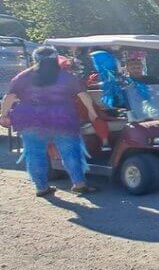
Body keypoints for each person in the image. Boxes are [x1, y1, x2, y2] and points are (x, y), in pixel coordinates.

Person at [0, 46, 100, 196]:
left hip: (30, 120)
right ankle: (79, 184)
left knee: (35, 154)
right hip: (62, 119)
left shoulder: (23, 76)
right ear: (55, 59)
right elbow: (83, 95)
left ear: (35, 59)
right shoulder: (66, 76)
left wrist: (3, 115)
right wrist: (92, 113)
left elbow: (9, 97)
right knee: (70, 152)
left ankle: (41, 187)